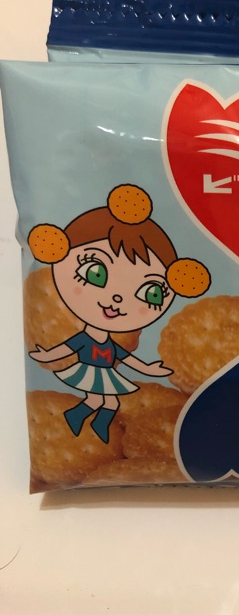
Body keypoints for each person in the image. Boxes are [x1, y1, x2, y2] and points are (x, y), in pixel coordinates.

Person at [27, 184, 210, 443]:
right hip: (89, 371)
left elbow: (125, 357)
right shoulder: (87, 337)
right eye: (95, 273)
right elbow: (69, 347)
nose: (117, 298)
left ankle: (84, 420)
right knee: (105, 402)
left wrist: (149, 368)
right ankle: (85, 421)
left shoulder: (110, 342)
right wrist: (48, 354)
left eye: (150, 293)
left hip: (101, 373)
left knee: (108, 403)